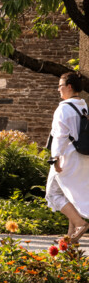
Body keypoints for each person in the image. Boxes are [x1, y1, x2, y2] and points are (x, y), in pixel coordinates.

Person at [45, 72, 89, 244]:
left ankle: (79, 224)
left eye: (60, 86)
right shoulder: (84, 106)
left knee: (53, 193)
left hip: (67, 157)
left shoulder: (63, 108)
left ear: (69, 87)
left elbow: (60, 136)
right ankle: (70, 238)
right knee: (70, 195)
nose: (58, 89)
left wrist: (54, 158)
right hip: (83, 158)